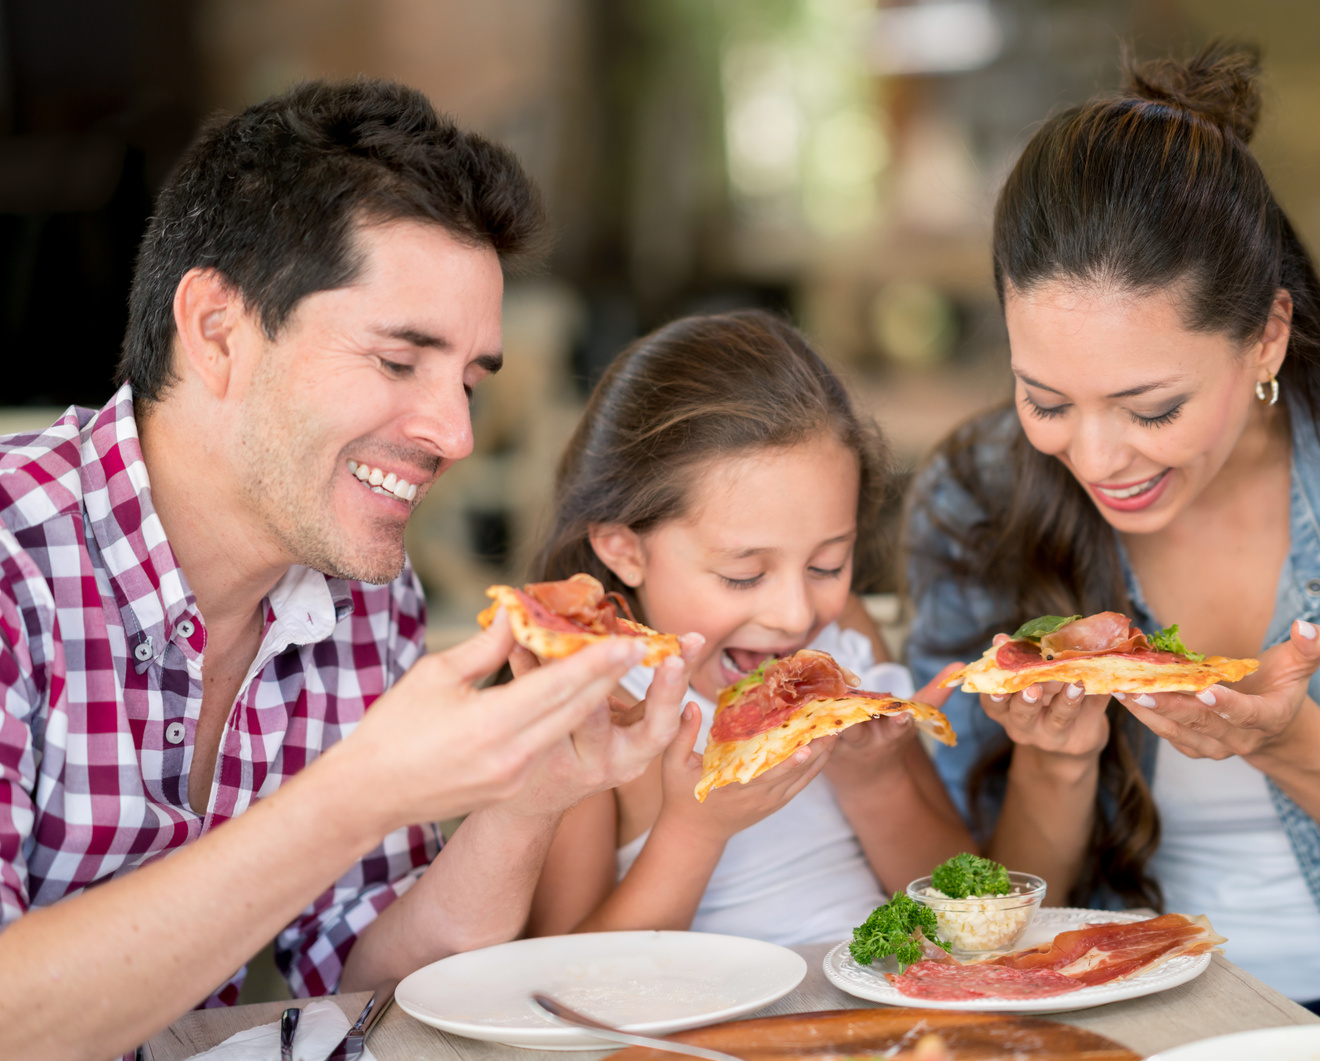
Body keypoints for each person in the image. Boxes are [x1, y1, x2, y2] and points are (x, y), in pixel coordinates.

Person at [904, 43, 1320, 1055]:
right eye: (1044, 400)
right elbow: (981, 940)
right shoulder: (975, 498)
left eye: (1151, 408)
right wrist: (1055, 763)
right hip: (1124, 1029)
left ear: (1267, 334)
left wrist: (1290, 745)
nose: (1094, 457)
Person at [0, 80, 699, 1060]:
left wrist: (529, 796)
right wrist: (357, 792)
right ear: (216, 331)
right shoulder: (14, 560)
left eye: (467, 380)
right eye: (399, 361)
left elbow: (374, 982)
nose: (455, 434)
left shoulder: (359, 589)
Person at [524, 310, 973, 944]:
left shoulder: (841, 640)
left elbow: (965, 913)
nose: (796, 616)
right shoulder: (589, 705)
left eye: (827, 565)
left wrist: (876, 782)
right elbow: (562, 975)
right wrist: (695, 830)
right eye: (743, 575)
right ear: (624, 550)